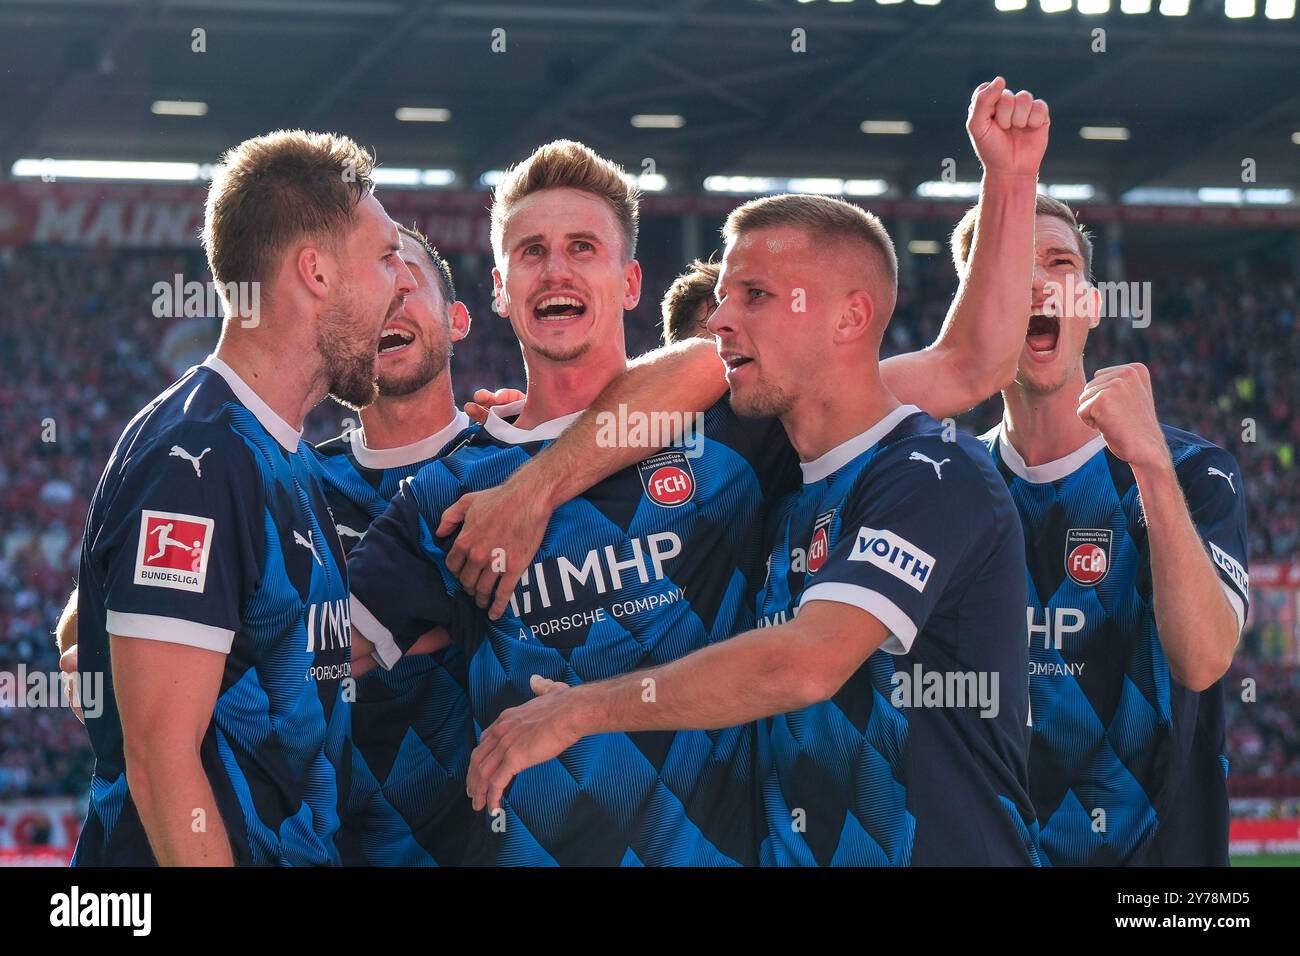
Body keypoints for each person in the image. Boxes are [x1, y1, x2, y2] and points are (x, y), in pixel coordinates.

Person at [357, 78, 1049, 865]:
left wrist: (1009, 176)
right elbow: (287, 661)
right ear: (500, 290)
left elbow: (970, 366)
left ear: (629, 283)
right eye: (531, 252)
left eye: (583, 248)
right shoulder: (451, 491)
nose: (556, 272)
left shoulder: (744, 428)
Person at [72, 129, 415, 866]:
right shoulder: (194, 459)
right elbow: (163, 765)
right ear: (315, 272)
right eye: (387, 258)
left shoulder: (280, 456)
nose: (405, 281)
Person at [949, 195, 1249, 865]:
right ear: (971, 307)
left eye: (1059, 262)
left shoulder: (1195, 470)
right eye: (1005, 266)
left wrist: (1149, 466)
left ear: (1089, 301)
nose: (1035, 280)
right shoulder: (945, 486)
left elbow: (1202, 659)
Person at [312, 223, 477, 866]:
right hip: (329, 847)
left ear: (457, 319)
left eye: (409, 283)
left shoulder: (519, 466)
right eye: (370, 288)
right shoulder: (293, 481)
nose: (391, 302)